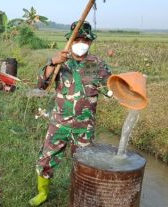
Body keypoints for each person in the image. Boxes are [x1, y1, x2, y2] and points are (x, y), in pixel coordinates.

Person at [29, 21, 112, 206]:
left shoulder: (97, 64)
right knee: (46, 160)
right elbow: (41, 85)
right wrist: (52, 63)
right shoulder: (61, 61)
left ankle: (80, 196)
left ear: (90, 43)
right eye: (77, 39)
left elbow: (110, 87)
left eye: (85, 40)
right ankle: (43, 193)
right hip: (59, 123)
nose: (81, 43)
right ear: (71, 41)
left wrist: (120, 89)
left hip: (85, 127)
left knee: (84, 165)